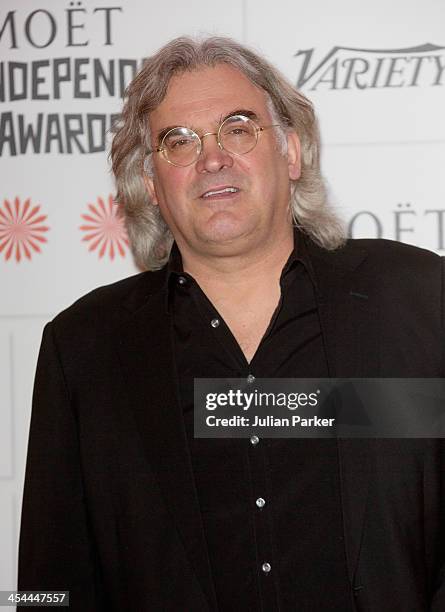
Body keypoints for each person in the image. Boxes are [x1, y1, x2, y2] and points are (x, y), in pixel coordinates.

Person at [18, 36, 445, 611]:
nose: (212, 158)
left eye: (238, 128)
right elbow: (52, 584)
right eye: (179, 141)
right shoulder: (85, 350)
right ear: (149, 184)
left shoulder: (420, 300)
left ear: (292, 153)